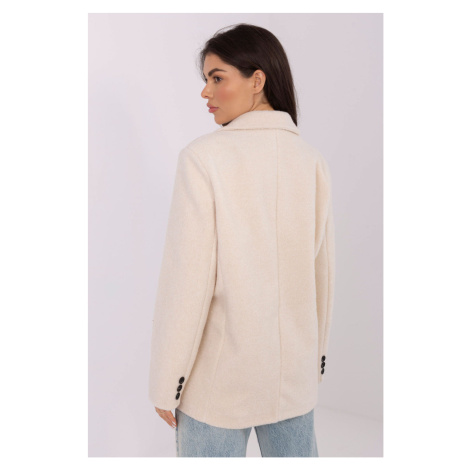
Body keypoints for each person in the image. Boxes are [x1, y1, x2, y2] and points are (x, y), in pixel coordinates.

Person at [148, 23, 335, 457]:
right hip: (293, 381)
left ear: (257, 80)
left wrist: (167, 381)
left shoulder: (203, 158)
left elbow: (187, 283)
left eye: (217, 78)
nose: (206, 92)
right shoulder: (311, 161)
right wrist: (314, 364)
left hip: (220, 385)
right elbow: (322, 278)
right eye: (206, 80)